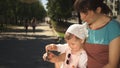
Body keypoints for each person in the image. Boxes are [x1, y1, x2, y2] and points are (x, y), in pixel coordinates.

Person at [43, 0, 120, 68]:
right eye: (80, 12)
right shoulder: (84, 27)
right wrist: (57, 59)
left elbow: (113, 65)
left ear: (98, 10)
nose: (82, 17)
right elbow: (73, 52)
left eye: (85, 13)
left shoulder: (113, 28)